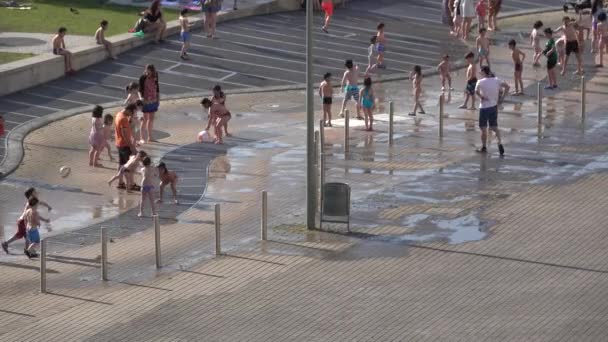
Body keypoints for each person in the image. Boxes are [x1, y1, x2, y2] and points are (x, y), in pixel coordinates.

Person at [2, 188, 51, 256]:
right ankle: (27, 251)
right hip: (23, 221)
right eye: (35, 192)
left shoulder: (33, 201)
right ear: (32, 194)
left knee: (23, 236)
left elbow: (41, 203)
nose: (37, 192)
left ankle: (27, 251)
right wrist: (44, 220)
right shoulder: (31, 203)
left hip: (23, 220)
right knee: (24, 236)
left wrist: (48, 206)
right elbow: (33, 215)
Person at [475, 66, 509, 155]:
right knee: (494, 127)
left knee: (483, 128)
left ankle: (484, 147)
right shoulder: (496, 80)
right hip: (494, 106)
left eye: (480, 72)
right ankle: (499, 142)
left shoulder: (480, 82)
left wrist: (481, 96)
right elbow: (507, 87)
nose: (479, 73)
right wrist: (502, 99)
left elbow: (476, 91)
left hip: (484, 107)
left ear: (483, 72)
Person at [114, 103, 139, 190]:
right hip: (125, 145)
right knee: (129, 166)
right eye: (132, 113)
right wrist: (131, 146)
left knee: (121, 164)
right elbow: (125, 134)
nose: (132, 115)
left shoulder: (118, 114)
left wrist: (130, 119)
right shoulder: (123, 119)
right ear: (128, 110)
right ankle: (131, 184)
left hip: (119, 143)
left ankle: (120, 182)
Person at [139, 64, 160, 144]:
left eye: (149, 72)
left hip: (153, 99)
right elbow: (140, 89)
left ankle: (150, 137)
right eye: (146, 72)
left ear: (152, 71)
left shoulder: (155, 76)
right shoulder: (142, 77)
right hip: (145, 100)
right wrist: (141, 98)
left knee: (151, 119)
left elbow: (157, 87)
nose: (147, 74)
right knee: (144, 119)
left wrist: (158, 99)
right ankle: (142, 137)